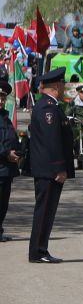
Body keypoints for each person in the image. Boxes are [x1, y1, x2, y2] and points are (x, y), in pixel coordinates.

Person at [26, 69, 77, 263]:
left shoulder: (49, 106)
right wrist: (59, 168)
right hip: (49, 170)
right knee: (44, 211)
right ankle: (38, 251)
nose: (64, 88)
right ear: (56, 87)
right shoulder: (48, 109)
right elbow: (52, 141)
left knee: (47, 211)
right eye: (63, 84)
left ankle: (40, 249)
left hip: (47, 169)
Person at [0, 95, 20, 243]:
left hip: (6, 169)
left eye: (2, 99)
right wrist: (6, 153)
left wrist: (19, 151)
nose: (1, 101)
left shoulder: (5, 117)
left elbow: (10, 138)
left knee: (3, 203)